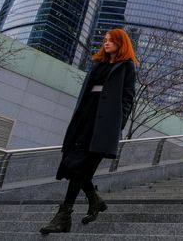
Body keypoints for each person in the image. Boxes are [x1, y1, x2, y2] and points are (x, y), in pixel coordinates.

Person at [39, 29, 137, 234]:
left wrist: (118, 123)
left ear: (121, 43)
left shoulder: (126, 66)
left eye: (111, 40)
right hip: (85, 118)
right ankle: (94, 199)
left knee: (80, 168)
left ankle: (64, 217)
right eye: (105, 40)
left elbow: (128, 97)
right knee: (71, 164)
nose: (106, 43)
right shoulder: (98, 64)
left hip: (104, 125)